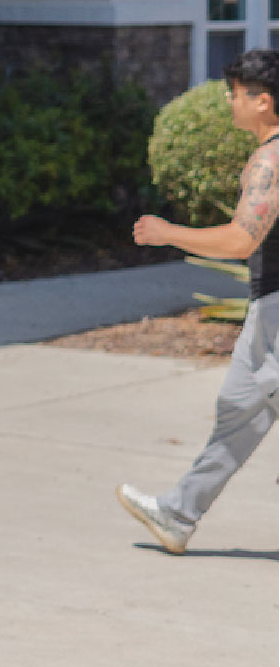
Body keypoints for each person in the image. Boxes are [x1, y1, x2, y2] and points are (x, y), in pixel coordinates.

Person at [119, 48, 278, 554]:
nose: (229, 103)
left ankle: (178, 513)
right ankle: (177, 514)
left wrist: (169, 232)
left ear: (264, 102)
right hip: (268, 308)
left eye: (235, 95)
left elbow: (240, 241)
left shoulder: (271, 160)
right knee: (239, 410)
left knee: (242, 407)